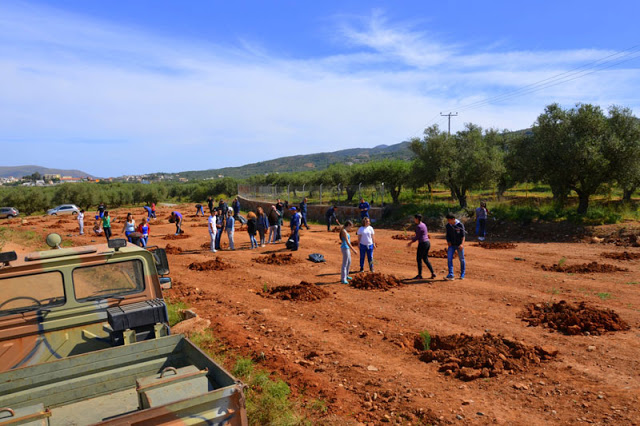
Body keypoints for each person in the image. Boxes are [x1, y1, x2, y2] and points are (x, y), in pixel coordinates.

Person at [407, 214, 436, 280]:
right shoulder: (423, 224)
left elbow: (417, 237)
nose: (414, 220)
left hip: (422, 243)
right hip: (427, 243)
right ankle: (432, 272)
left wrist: (410, 242)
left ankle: (419, 275)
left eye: (415, 218)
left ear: (417, 219)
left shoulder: (419, 226)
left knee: (419, 259)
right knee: (425, 259)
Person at [445, 212, 466, 280]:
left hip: (459, 245)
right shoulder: (448, 225)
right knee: (449, 259)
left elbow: (463, 236)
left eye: (449, 220)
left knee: (461, 259)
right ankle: (451, 274)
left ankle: (462, 274)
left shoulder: (460, 225)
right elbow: (447, 235)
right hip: (452, 245)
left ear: (453, 219)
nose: (448, 222)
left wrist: (462, 245)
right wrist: (448, 241)